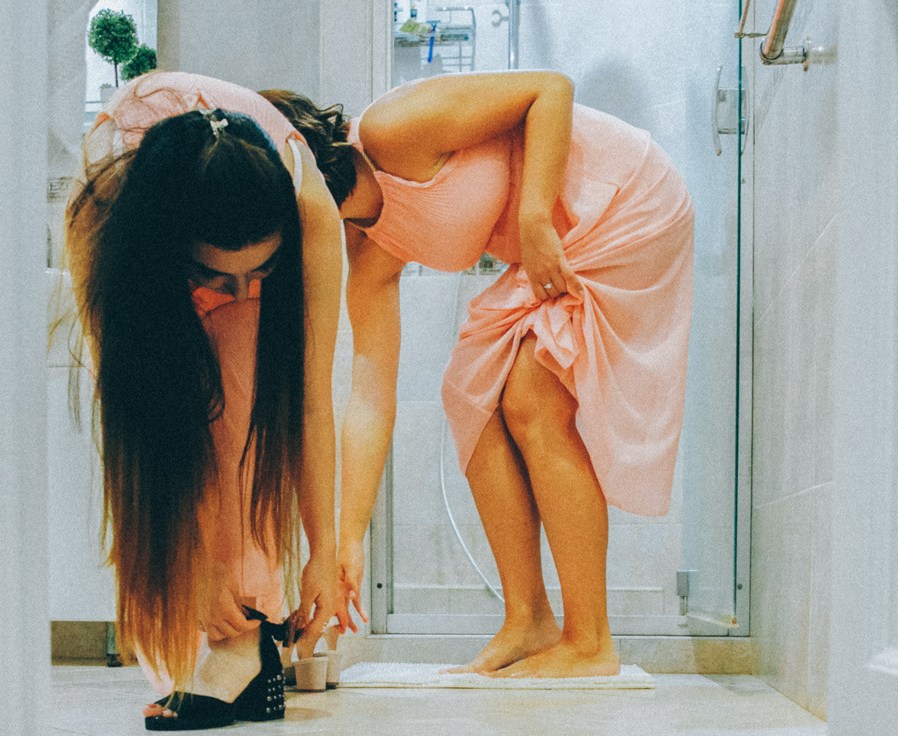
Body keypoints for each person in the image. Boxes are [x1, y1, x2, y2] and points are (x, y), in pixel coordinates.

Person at [265, 72, 694, 677]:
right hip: (560, 234)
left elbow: (550, 90)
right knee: (470, 393)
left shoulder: (392, 131)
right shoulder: (367, 249)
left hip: (620, 196)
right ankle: (528, 621)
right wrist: (348, 538)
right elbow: (369, 394)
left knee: (531, 392)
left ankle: (590, 642)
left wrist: (535, 218)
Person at [64, 72, 349, 729]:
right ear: (171, 252)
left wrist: (323, 551)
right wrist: (190, 557)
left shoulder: (307, 206)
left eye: (262, 272)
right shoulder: (102, 219)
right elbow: (141, 415)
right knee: (195, 409)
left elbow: (309, 403)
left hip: (253, 215)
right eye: (217, 275)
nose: (244, 293)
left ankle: (242, 646)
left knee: (245, 394)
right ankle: (232, 645)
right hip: (142, 257)